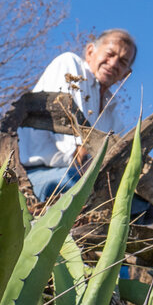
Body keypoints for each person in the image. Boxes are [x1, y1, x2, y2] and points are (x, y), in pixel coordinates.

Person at [18, 29, 137, 201]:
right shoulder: (69, 65)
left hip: (84, 178)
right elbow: (75, 149)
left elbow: (120, 157)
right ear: (90, 52)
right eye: (110, 54)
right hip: (35, 174)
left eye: (122, 61)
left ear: (126, 74)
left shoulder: (113, 113)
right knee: (83, 183)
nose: (113, 63)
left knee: (143, 204)